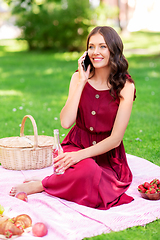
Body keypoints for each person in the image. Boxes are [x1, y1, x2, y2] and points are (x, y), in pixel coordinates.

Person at [10, 26, 136, 210]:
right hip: (76, 143)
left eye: (102, 47)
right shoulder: (78, 78)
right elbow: (66, 122)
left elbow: (116, 140)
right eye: (91, 47)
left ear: (113, 50)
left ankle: (42, 185)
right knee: (81, 169)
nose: (95, 52)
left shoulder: (125, 86)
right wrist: (82, 81)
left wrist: (79, 157)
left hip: (107, 156)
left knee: (90, 171)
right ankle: (60, 179)